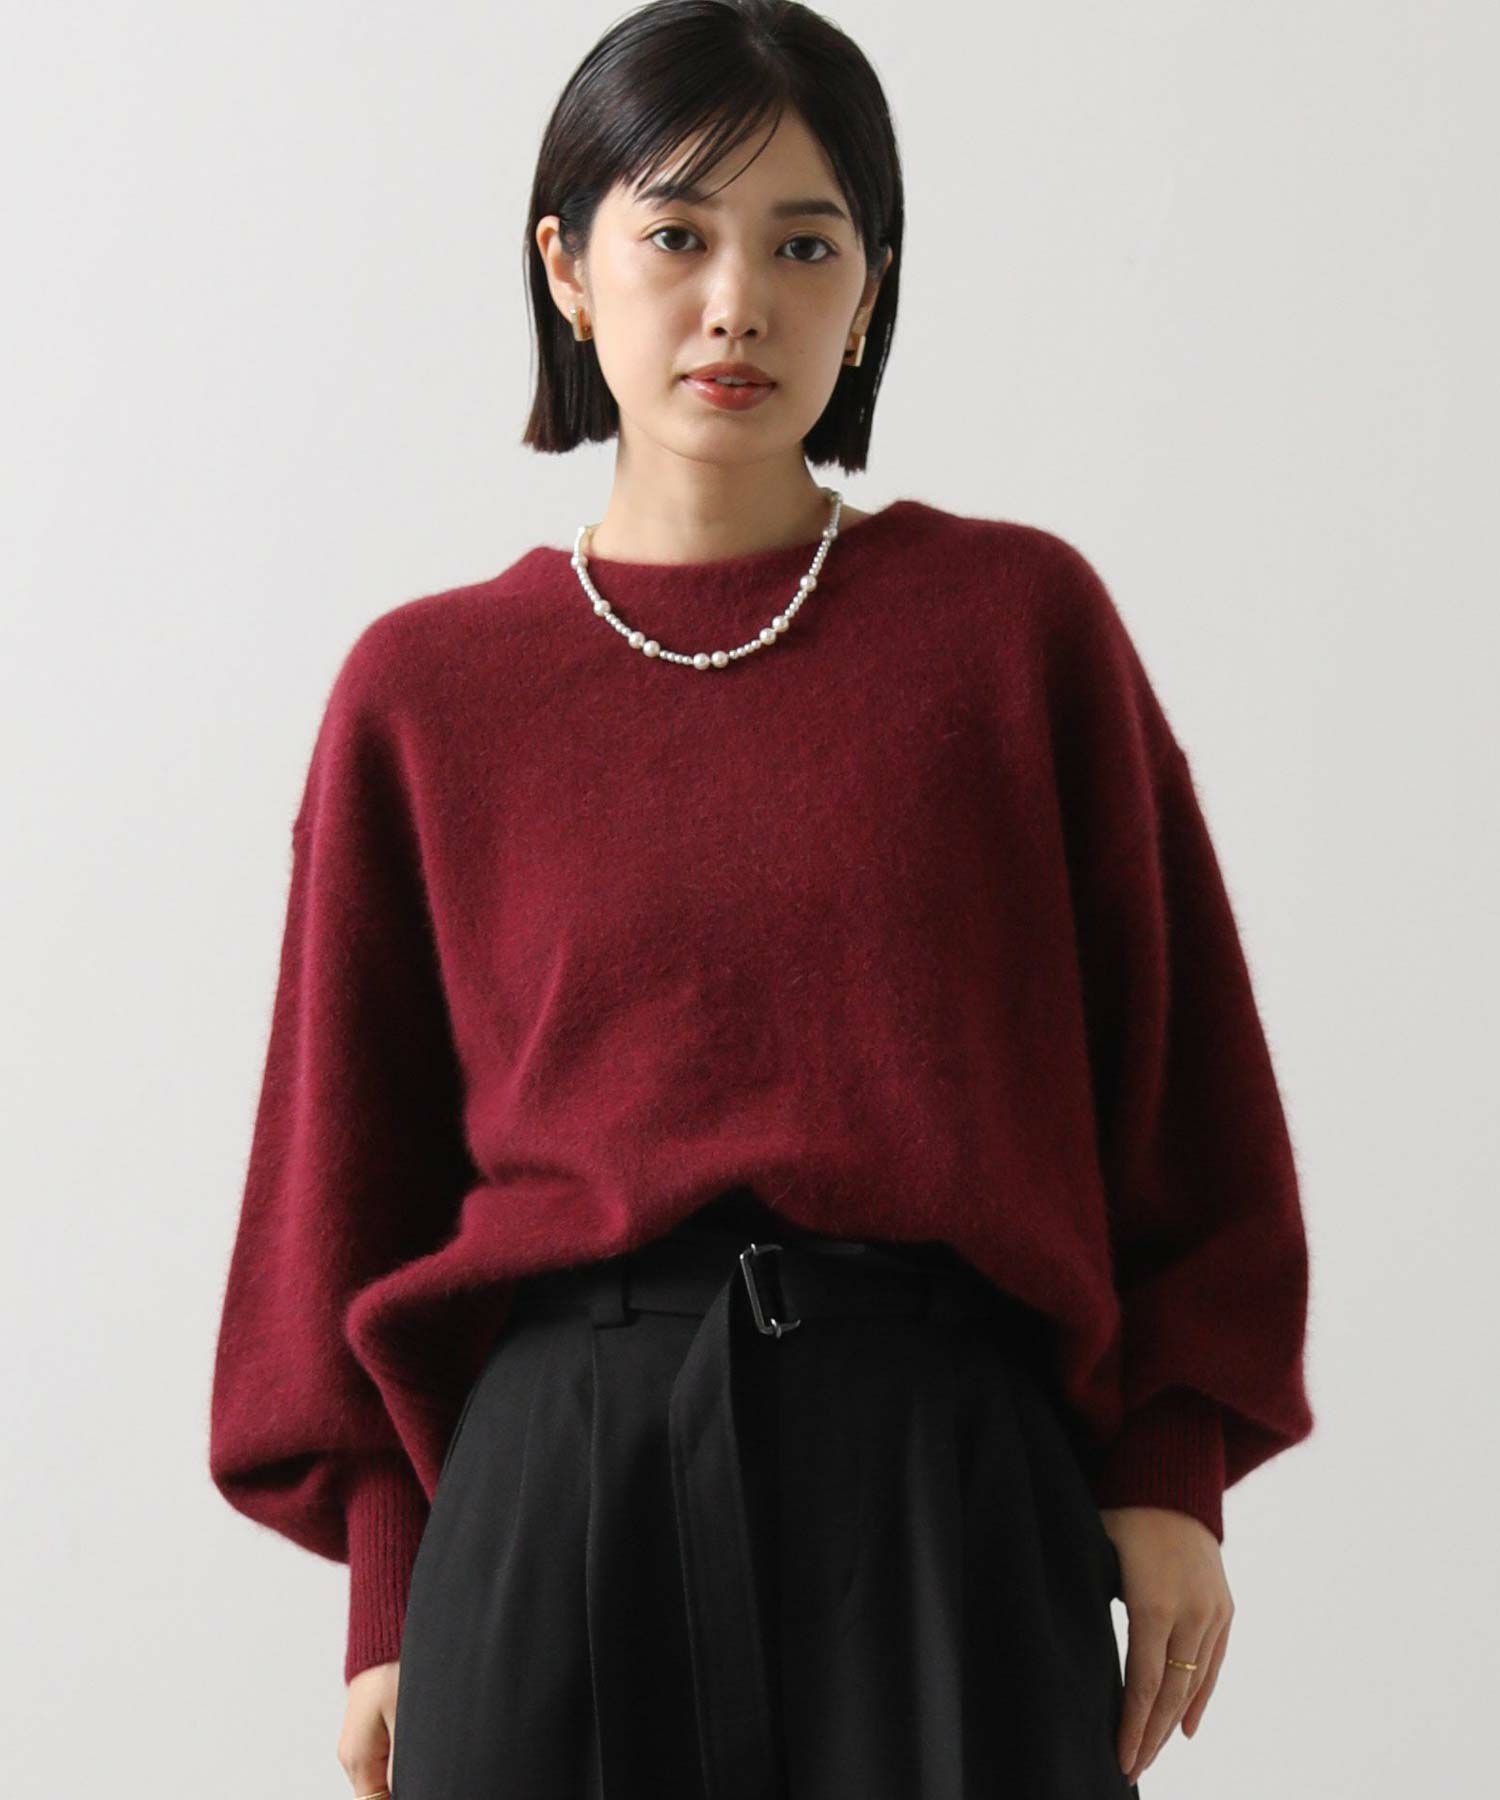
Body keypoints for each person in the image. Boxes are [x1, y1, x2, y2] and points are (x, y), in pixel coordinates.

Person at [207, 3, 1315, 1796]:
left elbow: (1185, 1097)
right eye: (677, 235)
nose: (738, 303)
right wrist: (391, 1600)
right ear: (567, 270)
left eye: (806, 246)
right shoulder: (426, 692)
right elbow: (342, 1184)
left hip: (944, 1490)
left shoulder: (1013, 631)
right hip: (554, 1509)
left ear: (870, 292)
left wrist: (1169, 1471)